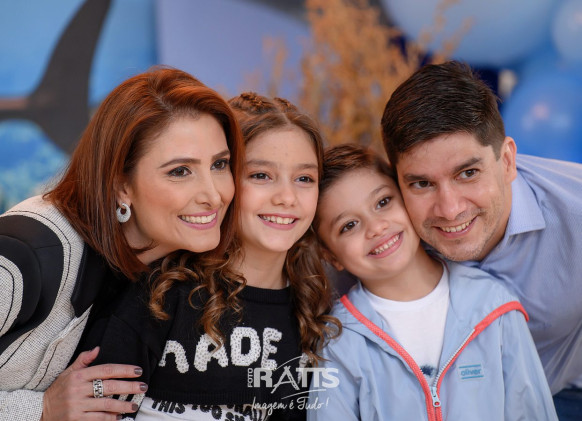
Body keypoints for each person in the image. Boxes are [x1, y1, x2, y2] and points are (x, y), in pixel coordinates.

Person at [73, 92, 340, 420]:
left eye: (304, 179)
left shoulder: (313, 310)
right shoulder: (161, 294)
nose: (287, 197)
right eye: (260, 175)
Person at [0, 67, 244, 421]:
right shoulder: (27, 254)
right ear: (120, 186)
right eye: (180, 171)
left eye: (220, 164)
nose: (214, 194)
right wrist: (41, 408)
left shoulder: (168, 259)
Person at [380, 60, 582, 420]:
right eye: (422, 183)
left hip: (563, 394)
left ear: (507, 161)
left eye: (468, 173)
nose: (450, 209)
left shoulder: (575, 212)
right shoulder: (384, 234)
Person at [307, 143, 557, 420]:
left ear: (407, 198)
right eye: (349, 226)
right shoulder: (338, 341)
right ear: (330, 256)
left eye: (383, 202)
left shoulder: (493, 305)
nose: (376, 227)